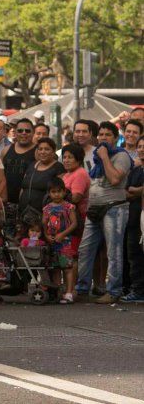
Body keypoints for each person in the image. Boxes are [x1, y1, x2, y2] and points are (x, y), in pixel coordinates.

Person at [76, 122, 133, 304]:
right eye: (101, 134)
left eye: (108, 135)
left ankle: (113, 291)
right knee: (85, 250)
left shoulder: (121, 155)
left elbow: (115, 179)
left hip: (114, 208)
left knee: (113, 252)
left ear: (116, 138)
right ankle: (82, 289)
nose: (103, 138)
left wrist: (104, 156)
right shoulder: (97, 156)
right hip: (94, 208)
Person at [43, 177, 78, 304]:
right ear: (49, 193)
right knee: (55, 268)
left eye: (59, 191)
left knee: (67, 267)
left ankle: (68, 293)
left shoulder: (69, 207)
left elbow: (74, 223)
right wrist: (47, 236)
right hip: (52, 243)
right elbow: (44, 224)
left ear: (64, 192)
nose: (56, 194)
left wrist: (63, 234)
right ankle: (58, 292)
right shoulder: (47, 208)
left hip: (65, 242)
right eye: (53, 192)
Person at [121, 137, 144, 303]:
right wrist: (138, 191)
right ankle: (138, 290)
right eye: (140, 146)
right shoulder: (135, 170)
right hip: (133, 219)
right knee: (134, 256)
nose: (142, 149)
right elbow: (125, 191)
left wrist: (135, 190)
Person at [19, 138, 65, 219]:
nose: (43, 152)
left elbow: (60, 192)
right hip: (25, 213)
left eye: (47, 149)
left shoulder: (58, 167)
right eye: (40, 149)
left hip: (46, 215)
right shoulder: (32, 165)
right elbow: (23, 188)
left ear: (53, 151)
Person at [1, 118, 36, 225]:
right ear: (15, 132)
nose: (24, 133)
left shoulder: (39, 152)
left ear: (33, 133)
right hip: (6, 204)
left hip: (29, 205)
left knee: (28, 235)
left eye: (27, 131)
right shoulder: (6, 150)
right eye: (20, 131)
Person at [61, 143, 90, 260]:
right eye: (64, 157)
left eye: (70, 157)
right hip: (67, 218)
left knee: (73, 254)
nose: (66, 160)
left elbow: (76, 198)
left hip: (78, 219)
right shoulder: (67, 174)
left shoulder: (80, 173)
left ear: (78, 159)